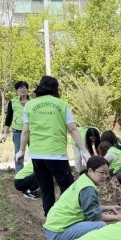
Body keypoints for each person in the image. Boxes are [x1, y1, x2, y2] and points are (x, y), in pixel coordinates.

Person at [15, 76, 91, 216]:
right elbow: (73, 129)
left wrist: (21, 151)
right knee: (67, 187)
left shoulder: (29, 106)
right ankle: (66, 216)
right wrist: (84, 151)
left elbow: (25, 131)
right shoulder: (62, 105)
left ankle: (50, 218)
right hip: (56, 154)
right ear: (55, 89)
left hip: (37, 155)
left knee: (46, 188)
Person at [43, 156, 121, 240]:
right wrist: (117, 217)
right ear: (90, 171)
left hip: (54, 227)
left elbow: (89, 208)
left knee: (91, 221)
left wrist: (110, 208)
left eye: (106, 173)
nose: (104, 176)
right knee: (100, 226)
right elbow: (95, 217)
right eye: (101, 173)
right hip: (57, 232)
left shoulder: (83, 180)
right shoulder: (88, 188)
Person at [0, 81, 30, 172]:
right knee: (19, 155)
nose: (23, 90)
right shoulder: (12, 102)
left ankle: (36, 176)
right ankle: (19, 176)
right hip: (18, 132)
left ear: (27, 90)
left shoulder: (33, 102)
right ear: (16, 91)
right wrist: (5, 133)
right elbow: (8, 118)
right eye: (20, 88)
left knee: (35, 155)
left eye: (24, 87)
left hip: (32, 132)